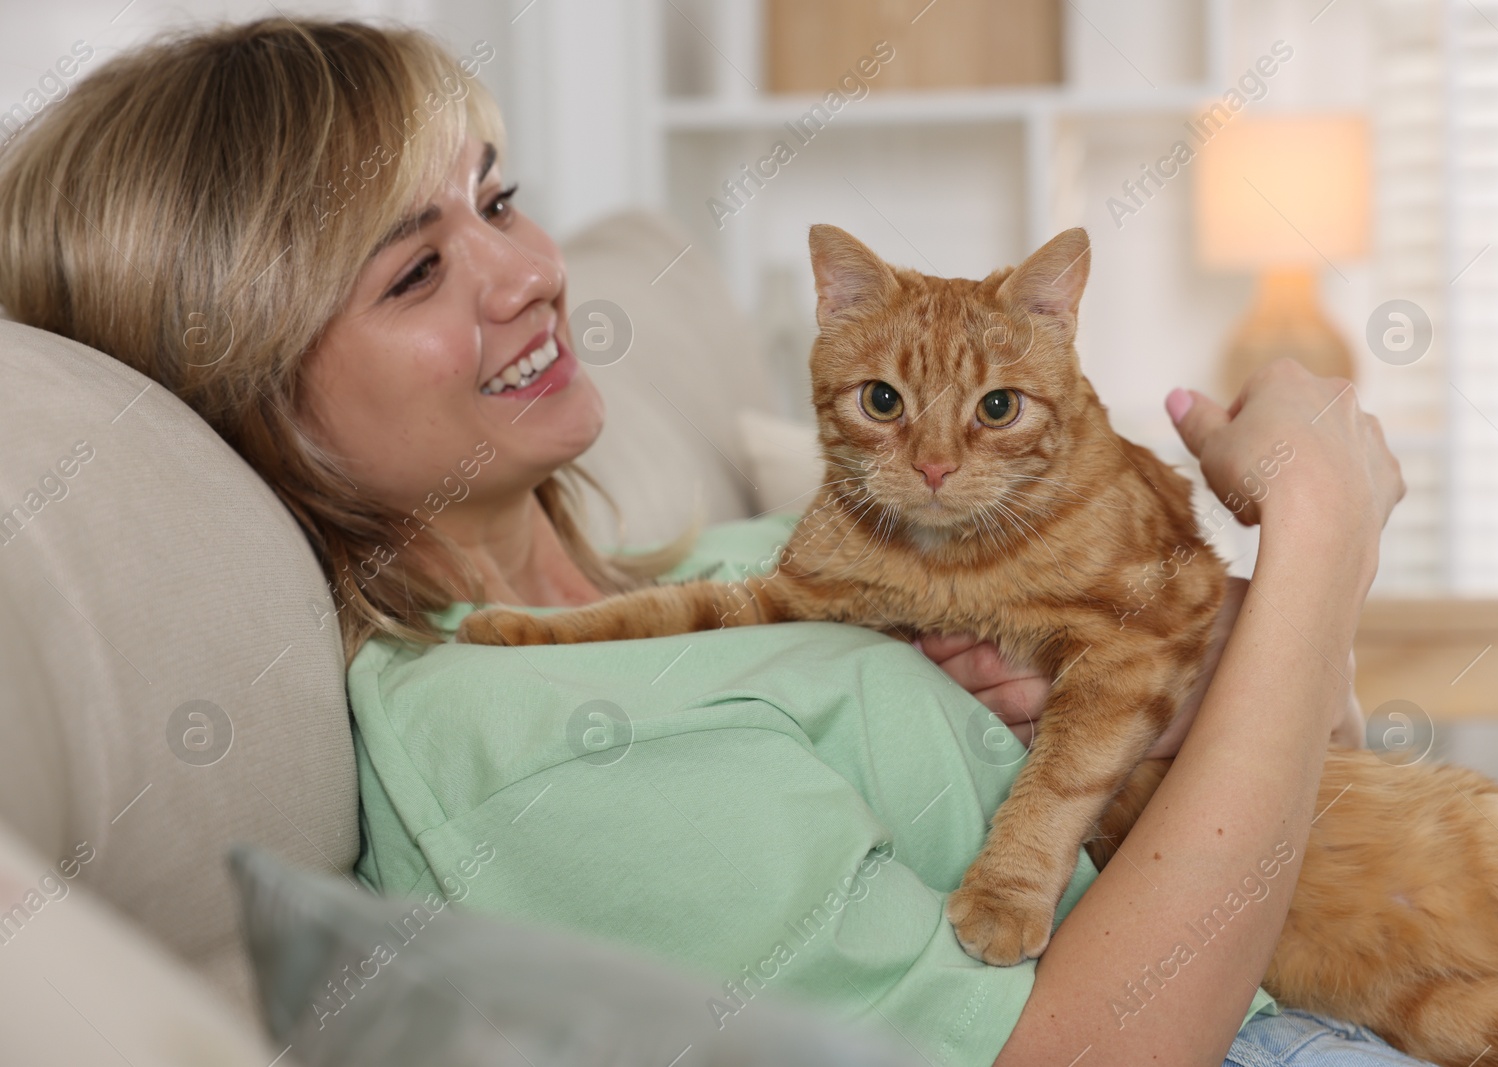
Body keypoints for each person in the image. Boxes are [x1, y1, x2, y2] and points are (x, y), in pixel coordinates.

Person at [0, 17, 1414, 1067]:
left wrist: (1183, 683)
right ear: (251, 392)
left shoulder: (730, 563)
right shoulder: (525, 741)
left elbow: (1317, 771)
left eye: (497, 201)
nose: (530, 274)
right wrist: (1320, 539)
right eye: (418, 271)